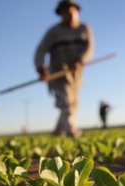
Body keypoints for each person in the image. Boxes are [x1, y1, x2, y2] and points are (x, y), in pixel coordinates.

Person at [34, 0, 94, 138]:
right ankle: (71, 132)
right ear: (60, 14)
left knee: (73, 104)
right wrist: (40, 67)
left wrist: (80, 60)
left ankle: (57, 132)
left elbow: (89, 48)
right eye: (65, 12)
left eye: (72, 11)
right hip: (58, 75)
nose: (69, 15)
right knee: (66, 102)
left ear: (77, 11)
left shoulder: (84, 29)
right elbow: (40, 51)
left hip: (75, 76)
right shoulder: (53, 32)